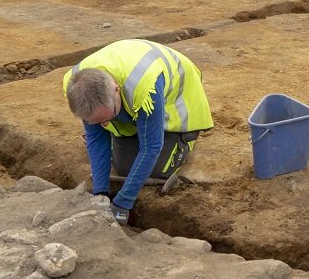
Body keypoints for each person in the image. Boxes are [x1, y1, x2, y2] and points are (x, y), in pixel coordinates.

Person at [63, 39, 215, 223]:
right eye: (97, 121)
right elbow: (96, 137)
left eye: (108, 117)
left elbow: (151, 147)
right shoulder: (77, 87)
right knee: (125, 168)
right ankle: (127, 119)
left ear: (116, 90)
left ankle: (185, 139)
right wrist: (100, 194)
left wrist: (124, 202)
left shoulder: (145, 87)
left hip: (175, 97)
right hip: (130, 98)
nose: (105, 125)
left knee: (157, 169)